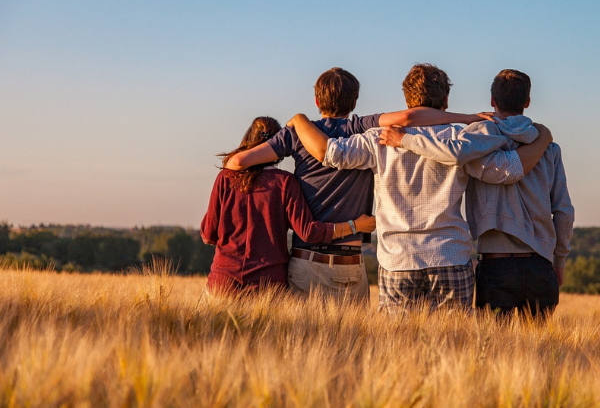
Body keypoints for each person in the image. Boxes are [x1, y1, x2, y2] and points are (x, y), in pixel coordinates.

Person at [288, 64, 552, 313]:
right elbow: (506, 171)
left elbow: (331, 154)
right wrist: (542, 139)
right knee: (455, 347)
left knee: (398, 349)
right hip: (450, 255)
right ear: (445, 102)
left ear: (407, 102)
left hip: (398, 260)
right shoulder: (461, 139)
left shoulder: (378, 139)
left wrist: (299, 120)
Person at [223, 67, 491, 302]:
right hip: (350, 262)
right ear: (354, 101)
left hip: (306, 260)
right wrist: (467, 118)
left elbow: (236, 163)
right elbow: (410, 119)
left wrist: (294, 126)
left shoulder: (297, 133)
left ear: (317, 100)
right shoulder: (362, 128)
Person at [381, 69, 574, 318]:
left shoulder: (475, 140)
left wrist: (405, 140)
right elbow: (564, 211)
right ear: (527, 102)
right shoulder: (549, 148)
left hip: (496, 265)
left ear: (492, 100)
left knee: (493, 351)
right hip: (540, 265)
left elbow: (452, 153)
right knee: (538, 353)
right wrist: (559, 260)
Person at [200, 116, 375, 296]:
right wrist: (355, 226)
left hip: (223, 283)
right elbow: (309, 232)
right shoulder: (285, 182)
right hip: (268, 287)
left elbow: (208, 234)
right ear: (278, 146)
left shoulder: (225, 178)